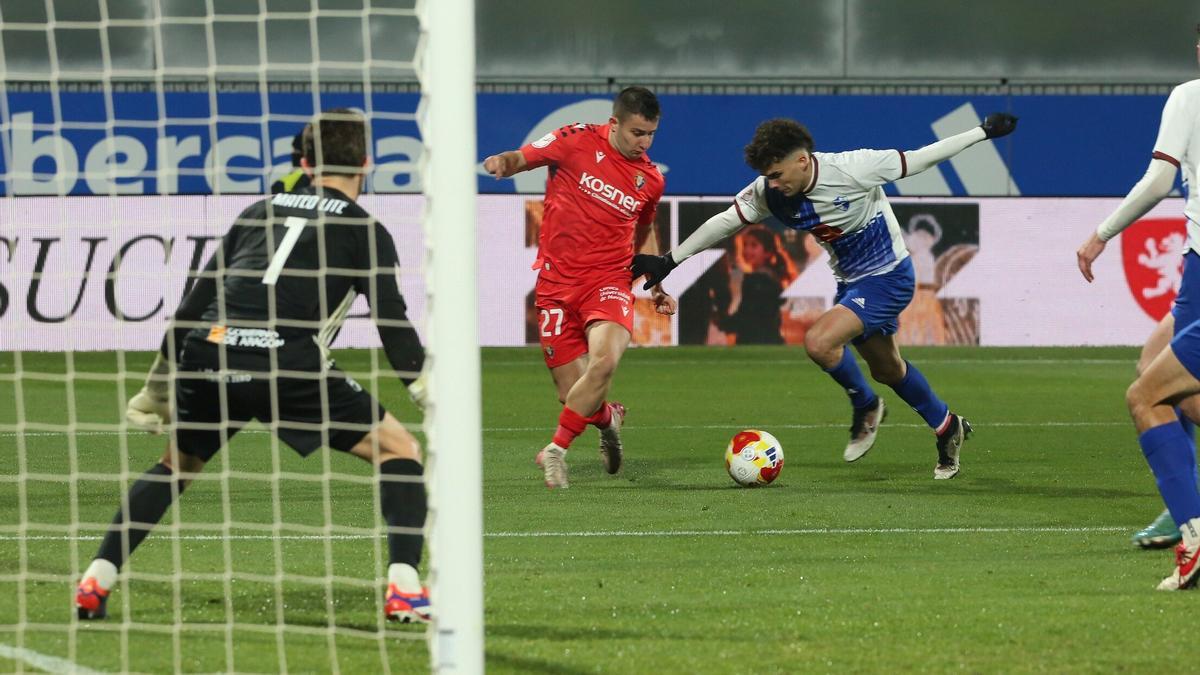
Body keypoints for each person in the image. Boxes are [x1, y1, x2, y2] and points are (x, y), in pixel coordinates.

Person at [76, 108, 434, 622]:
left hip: (209, 348)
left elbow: (195, 303)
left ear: (306, 162)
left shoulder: (257, 211)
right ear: (367, 162)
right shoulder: (364, 229)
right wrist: (426, 390)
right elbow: (392, 323)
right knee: (400, 450)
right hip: (284, 359)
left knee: (175, 468)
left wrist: (156, 388)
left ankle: (96, 578)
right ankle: (404, 588)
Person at [634, 113, 1019, 478]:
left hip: (888, 277)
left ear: (802, 161)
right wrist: (670, 260)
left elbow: (919, 160)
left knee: (819, 343)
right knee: (887, 369)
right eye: (767, 176)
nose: (773, 183)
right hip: (851, 283)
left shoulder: (854, 168)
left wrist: (981, 133)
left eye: (778, 174)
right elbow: (726, 221)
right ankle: (947, 426)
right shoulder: (770, 191)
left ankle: (866, 406)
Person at [482, 86, 676, 489]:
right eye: (637, 132)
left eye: (651, 134)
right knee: (574, 394)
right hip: (555, 284)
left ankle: (555, 450)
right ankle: (609, 419)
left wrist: (656, 285)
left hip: (609, 281)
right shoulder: (573, 140)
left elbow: (645, 231)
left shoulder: (650, 179)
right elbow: (523, 158)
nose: (644, 142)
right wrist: (503, 162)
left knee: (604, 362)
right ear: (615, 123)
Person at [1076, 30, 1200, 570]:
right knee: (1155, 365)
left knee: (1151, 394)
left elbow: (1158, 181)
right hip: (1195, 270)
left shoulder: (1190, 95)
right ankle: (1184, 508)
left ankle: (1189, 518)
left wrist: (1102, 233)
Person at [716, 225, 796, 345]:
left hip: (756, 340)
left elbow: (748, 315)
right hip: (769, 340)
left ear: (767, 252)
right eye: (745, 245)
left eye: (754, 245)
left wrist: (724, 324)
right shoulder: (770, 277)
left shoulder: (758, 280)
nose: (747, 250)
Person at [270, 126, 313, 194]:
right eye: (294, 151)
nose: (293, 153)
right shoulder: (283, 183)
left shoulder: (282, 184)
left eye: (296, 151)